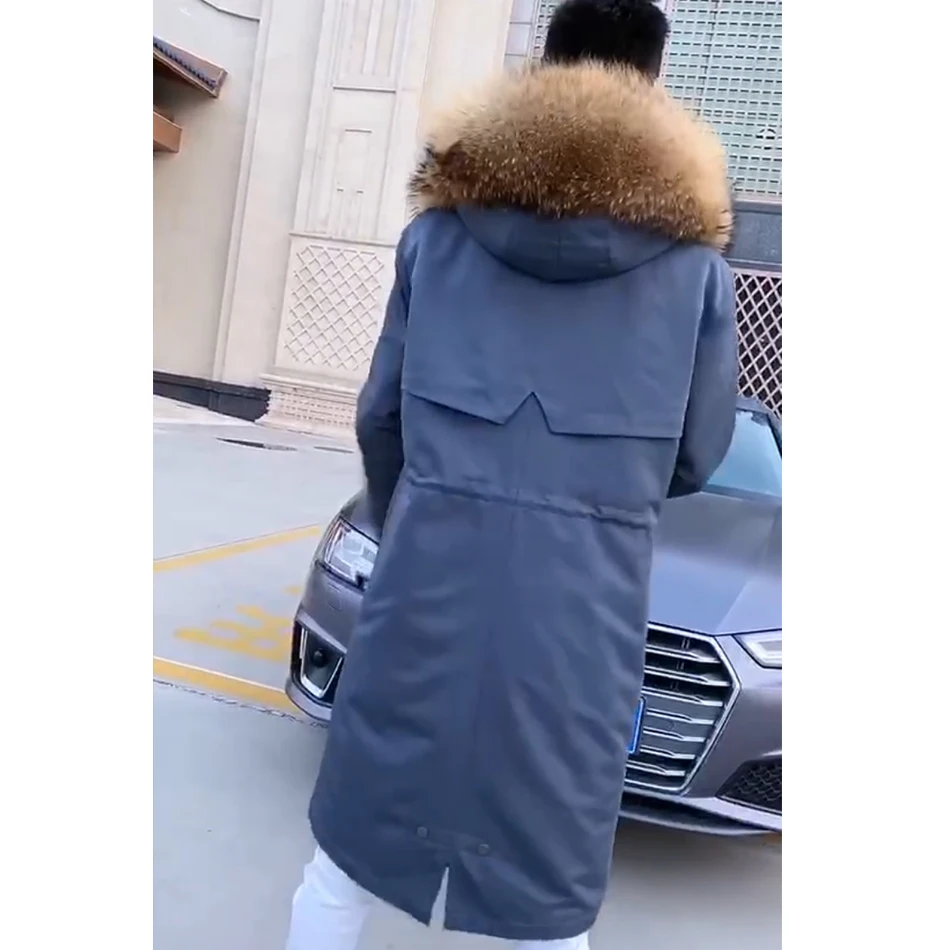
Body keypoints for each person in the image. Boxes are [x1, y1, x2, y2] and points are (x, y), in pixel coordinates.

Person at [285, 1, 737, 947]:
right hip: (582, 618)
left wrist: (427, 508)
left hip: (424, 591)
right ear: (653, 84)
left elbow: (380, 418)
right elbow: (698, 454)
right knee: (548, 894)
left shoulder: (438, 237)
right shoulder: (695, 272)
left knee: (344, 863)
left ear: (542, 65)